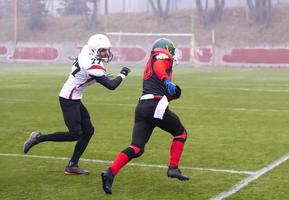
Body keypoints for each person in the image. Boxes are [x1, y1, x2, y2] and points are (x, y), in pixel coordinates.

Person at [23, 34, 131, 175]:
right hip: (68, 98)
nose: (106, 53)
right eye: (102, 50)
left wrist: (100, 77)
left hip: (75, 97)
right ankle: (37, 138)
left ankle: (72, 165)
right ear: (94, 50)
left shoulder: (87, 50)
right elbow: (111, 86)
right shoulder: (93, 66)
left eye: (106, 49)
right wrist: (123, 74)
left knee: (89, 131)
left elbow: (93, 74)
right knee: (75, 134)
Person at [101, 38, 189, 194]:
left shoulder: (153, 64)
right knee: (180, 133)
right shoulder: (160, 55)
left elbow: (162, 90)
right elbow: (159, 65)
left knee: (136, 148)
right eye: (171, 50)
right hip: (155, 105)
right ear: (165, 49)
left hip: (143, 107)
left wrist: (172, 95)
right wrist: (165, 80)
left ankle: (110, 172)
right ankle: (173, 168)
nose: (172, 53)